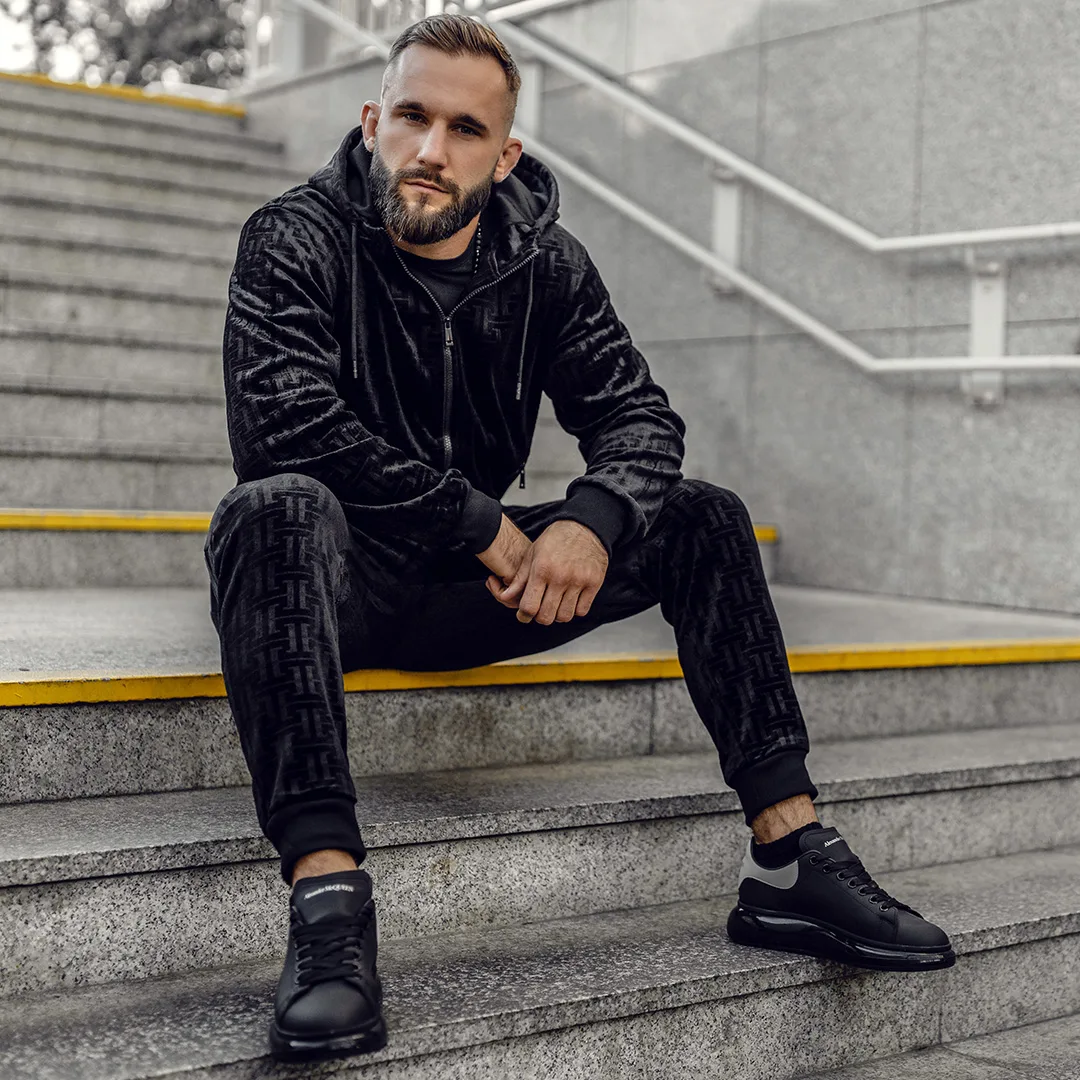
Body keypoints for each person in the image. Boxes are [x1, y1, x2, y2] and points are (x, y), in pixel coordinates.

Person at [204, 12, 954, 1064]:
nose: (431, 149)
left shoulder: (545, 264)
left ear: (505, 155)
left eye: (466, 129)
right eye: (412, 117)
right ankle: (329, 907)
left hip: (482, 593)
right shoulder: (295, 236)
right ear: (372, 121)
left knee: (703, 515)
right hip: (337, 584)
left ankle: (789, 859)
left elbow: (640, 418)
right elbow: (282, 424)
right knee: (271, 507)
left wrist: (591, 522)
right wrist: (477, 521)